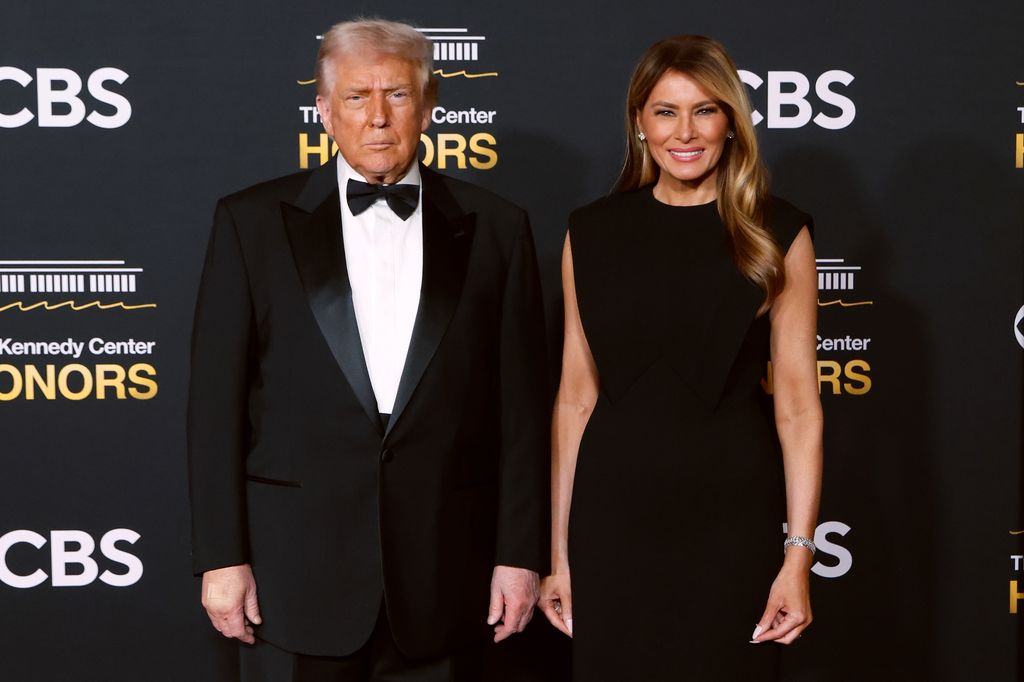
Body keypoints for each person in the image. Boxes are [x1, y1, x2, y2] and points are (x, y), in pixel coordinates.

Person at [187, 19, 549, 681]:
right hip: (291, 579)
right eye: (356, 97)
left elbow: (521, 412)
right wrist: (220, 556)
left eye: (398, 96)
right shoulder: (250, 224)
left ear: (432, 103)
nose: (378, 118)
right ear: (323, 110)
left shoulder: (498, 227)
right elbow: (215, 407)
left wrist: (519, 555)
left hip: (446, 575)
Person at [538, 35, 823, 679]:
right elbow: (575, 398)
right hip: (612, 519)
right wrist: (559, 553)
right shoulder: (591, 231)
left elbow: (800, 409)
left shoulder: (777, 231)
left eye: (705, 110)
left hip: (730, 518)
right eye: (665, 111)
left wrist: (797, 559)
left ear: (731, 122)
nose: (685, 131)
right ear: (640, 122)